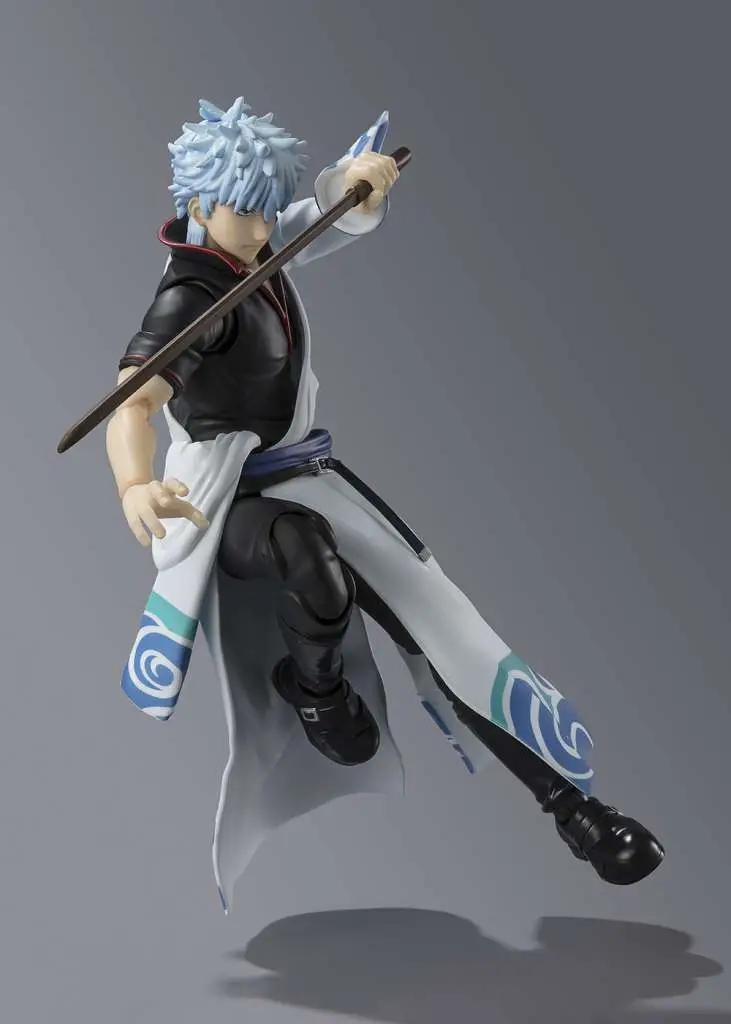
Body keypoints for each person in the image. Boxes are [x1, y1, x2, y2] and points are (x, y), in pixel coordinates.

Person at [106, 97, 664, 912]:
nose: (260, 227)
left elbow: (315, 219)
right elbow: (134, 401)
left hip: (307, 473)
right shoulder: (190, 295)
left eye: (265, 208)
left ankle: (574, 809)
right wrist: (135, 482)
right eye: (243, 210)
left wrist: (354, 185)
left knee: (440, 625)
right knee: (309, 559)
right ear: (198, 203)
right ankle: (318, 694)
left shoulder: (254, 246)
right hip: (228, 499)